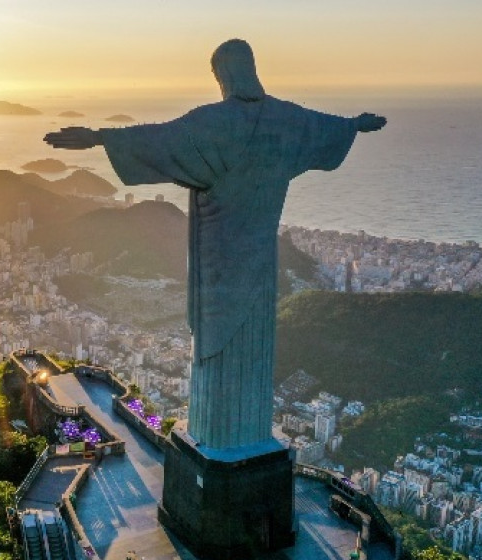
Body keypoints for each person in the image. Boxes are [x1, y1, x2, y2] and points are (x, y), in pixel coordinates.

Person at [44, 39, 385, 450]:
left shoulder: (213, 123)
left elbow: (161, 139)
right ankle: (246, 438)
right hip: (261, 261)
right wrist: (355, 125)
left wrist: (100, 137)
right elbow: (324, 127)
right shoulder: (287, 120)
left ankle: (217, 439)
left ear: (223, 74)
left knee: (215, 343)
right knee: (255, 340)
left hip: (219, 260)